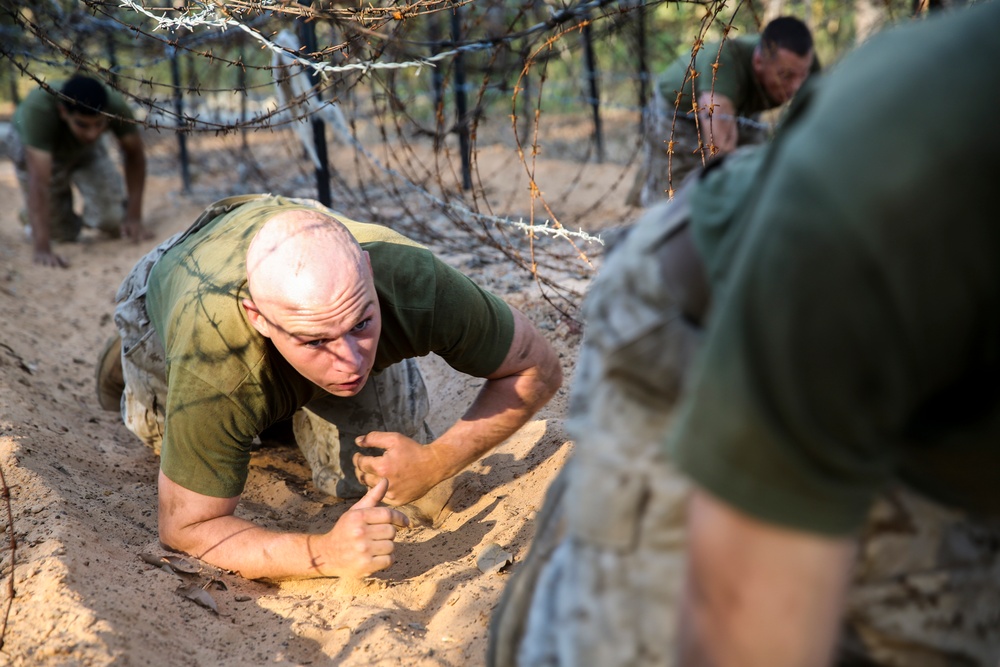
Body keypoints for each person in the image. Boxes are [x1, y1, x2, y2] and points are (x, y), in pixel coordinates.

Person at [489, 3, 1000, 666]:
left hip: (871, 318)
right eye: (783, 78)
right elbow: (740, 618)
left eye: (799, 79)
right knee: (621, 633)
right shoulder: (898, 172)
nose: (791, 87)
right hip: (691, 311)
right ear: (761, 63)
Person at [96, 194, 562, 581]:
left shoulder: (412, 281)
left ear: (368, 270)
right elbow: (186, 527)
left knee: (378, 481)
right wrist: (323, 553)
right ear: (259, 318)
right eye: (315, 340)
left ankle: (286, 391)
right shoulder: (212, 356)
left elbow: (536, 368)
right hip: (183, 277)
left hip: (300, 242)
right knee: (171, 438)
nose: (351, 362)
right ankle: (128, 352)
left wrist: (437, 460)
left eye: (362, 325)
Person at [626, 16, 816, 208]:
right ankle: (654, 175)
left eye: (803, 75)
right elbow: (720, 153)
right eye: (786, 76)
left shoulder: (803, 62)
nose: (798, 86)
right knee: (673, 203)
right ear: (759, 62)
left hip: (740, 110)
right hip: (678, 111)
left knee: (759, 173)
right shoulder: (724, 63)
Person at [6, 74, 149, 268]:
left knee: (112, 219)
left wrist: (134, 216)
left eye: (99, 124)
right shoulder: (38, 110)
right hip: (37, 149)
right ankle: (32, 215)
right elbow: (39, 182)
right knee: (62, 236)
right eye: (83, 124)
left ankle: (50, 215)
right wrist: (42, 247)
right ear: (63, 112)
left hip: (85, 151)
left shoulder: (115, 105)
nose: (93, 133)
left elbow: (135, 155)